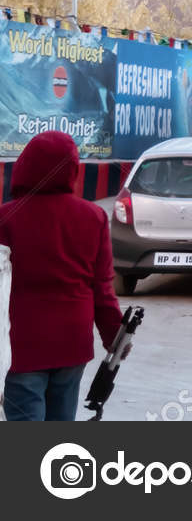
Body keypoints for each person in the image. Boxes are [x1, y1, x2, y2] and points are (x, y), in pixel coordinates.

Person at [0, 130, 122, 422]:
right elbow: (102, 288)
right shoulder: (93, 217)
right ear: (72, 170)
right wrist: (114, 337)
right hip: (72, 344)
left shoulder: (6, 218)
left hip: (21, 347)